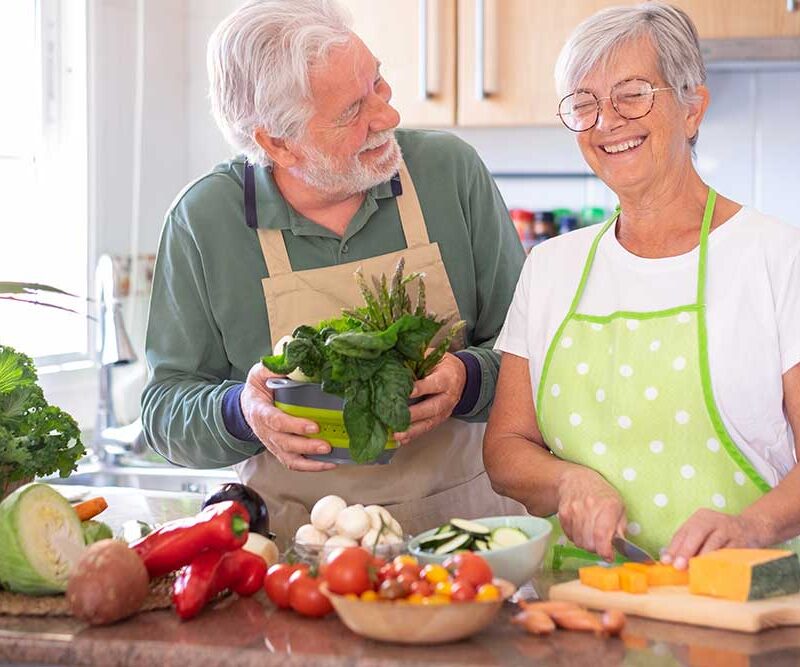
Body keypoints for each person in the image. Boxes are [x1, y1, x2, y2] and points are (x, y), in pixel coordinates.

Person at [141, 0, 525, 545]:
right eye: (351, 111)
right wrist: (240, 411)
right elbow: (163, 411)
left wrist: (468, 380)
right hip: (298, 550)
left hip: (462, 536)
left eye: (379, 83)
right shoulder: (205, 220)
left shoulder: (449, 173)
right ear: (275, 141)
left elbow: (534, 354)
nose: (387, 117)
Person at [484, 2, 800, 569]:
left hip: (733, 611)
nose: (607, 122)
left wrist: (753, 525)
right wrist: (567, 482)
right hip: (582, 615)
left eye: (632, 94)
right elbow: (506, 450)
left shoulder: (777, 257)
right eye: (585, 104)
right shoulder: (551, 267)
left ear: (691, 109)